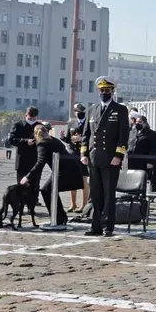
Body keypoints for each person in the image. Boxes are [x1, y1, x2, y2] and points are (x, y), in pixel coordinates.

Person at [80, 77, 130, 236]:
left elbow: (123, 136)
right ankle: (96, 226)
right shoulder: (91, 110)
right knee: (95, 194)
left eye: (107, 90)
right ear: (98, 91)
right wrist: (83, 153)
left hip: (110, 159)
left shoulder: (120, 110)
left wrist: (118, 155)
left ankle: (108, 226)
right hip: (94, 157)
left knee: (109, 194)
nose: (104, 93)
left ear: (112, 92)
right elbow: (85, 134)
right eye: (101, 90)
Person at [21, 122, 82, 225]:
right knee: (50, 190)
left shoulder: (42, 143)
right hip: (72, 170)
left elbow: (40, 163)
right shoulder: (54, 140)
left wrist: (27, 177)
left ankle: (58, 219)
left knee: (46, 190)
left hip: (63, 171)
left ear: (36, 135)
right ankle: (61, 217)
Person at [61, 102, 90, 211]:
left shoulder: (88, 123)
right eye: (76, 111)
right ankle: (73, 204)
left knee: (84, 179)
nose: (78, 113)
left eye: (80, 112)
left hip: (84, 153)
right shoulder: (71, 123)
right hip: (72, 153)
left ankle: (84, 204)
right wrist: (63, 137)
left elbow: (91, 138)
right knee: (72, 178)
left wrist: (81, 138)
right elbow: (68, 139)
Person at [8, 107, 42, 181]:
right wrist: (26, 141)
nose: (32, 121)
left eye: (34, 119)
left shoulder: (40, 126)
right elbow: (11, 139)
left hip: (35, 160)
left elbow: (45, 140)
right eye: (30, 119)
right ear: (25, 115)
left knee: (35, 186)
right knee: (22, 187)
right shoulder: (17, 125)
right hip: (22, 161)